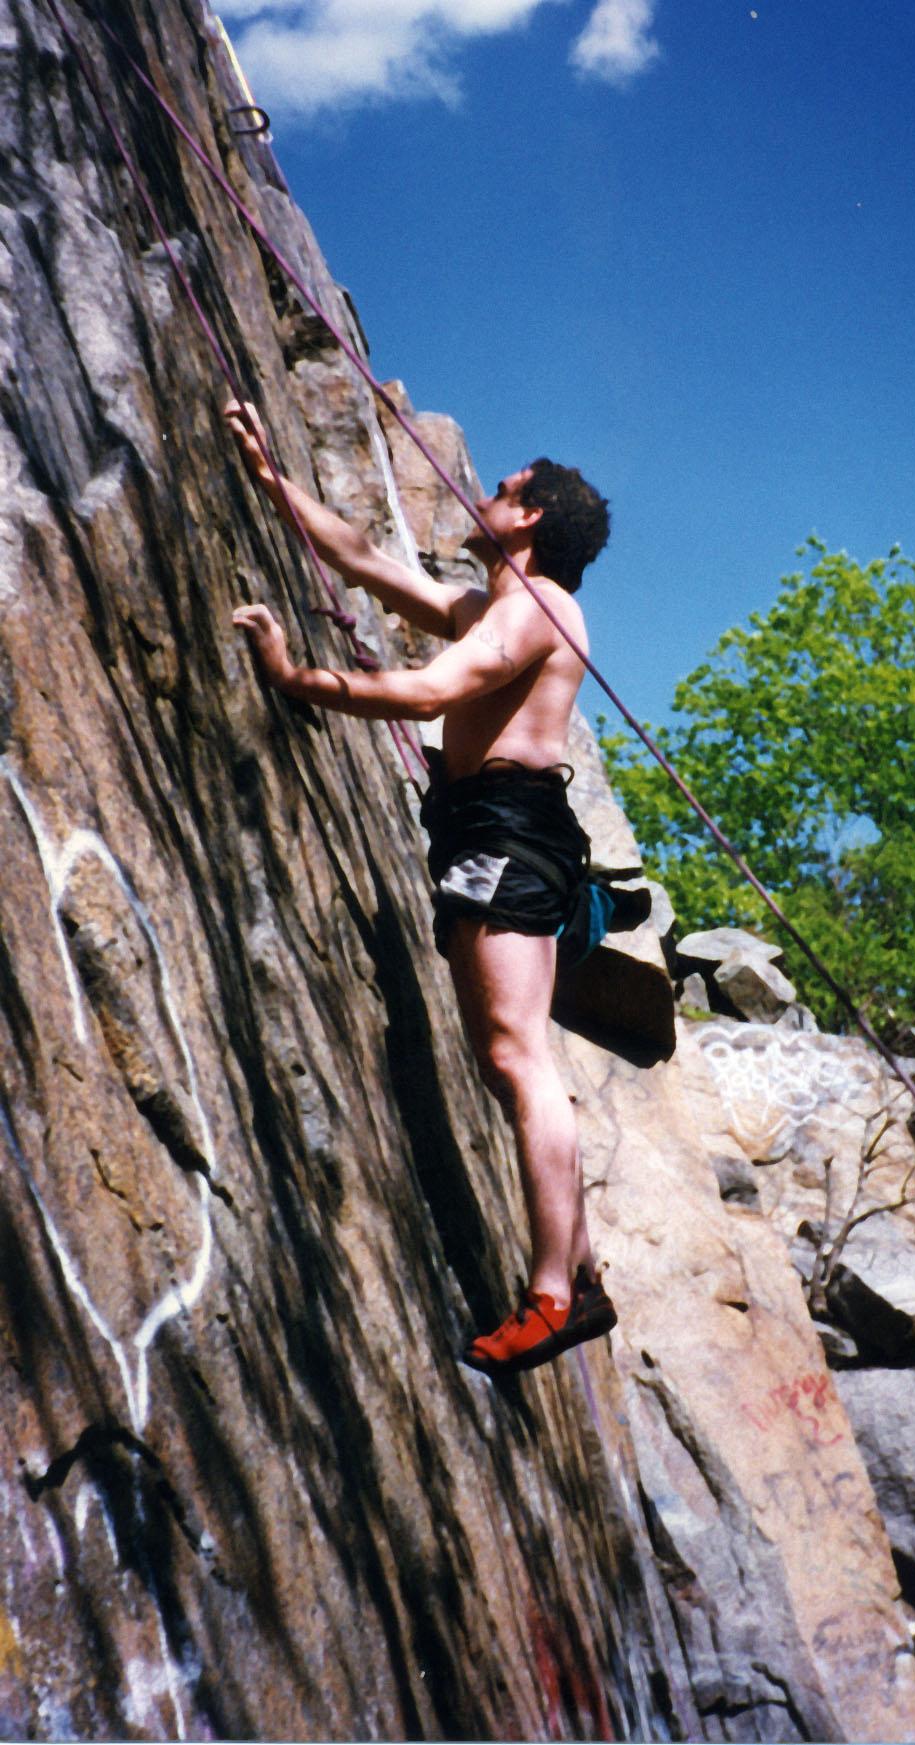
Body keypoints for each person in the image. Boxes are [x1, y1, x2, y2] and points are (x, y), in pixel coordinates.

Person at [224, 400, 617, 1375]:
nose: (483, 495)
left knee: (516, 1056)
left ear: (530, 516)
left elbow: (434, 692)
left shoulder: (536, 606)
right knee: (509, 1056)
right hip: (499, 832)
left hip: (508, 832)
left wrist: (298, 677)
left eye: (503, 489)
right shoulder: (494, 606)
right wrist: (271, 477)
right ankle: (580, 1272)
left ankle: (554, 1295)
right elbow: (366, 562)